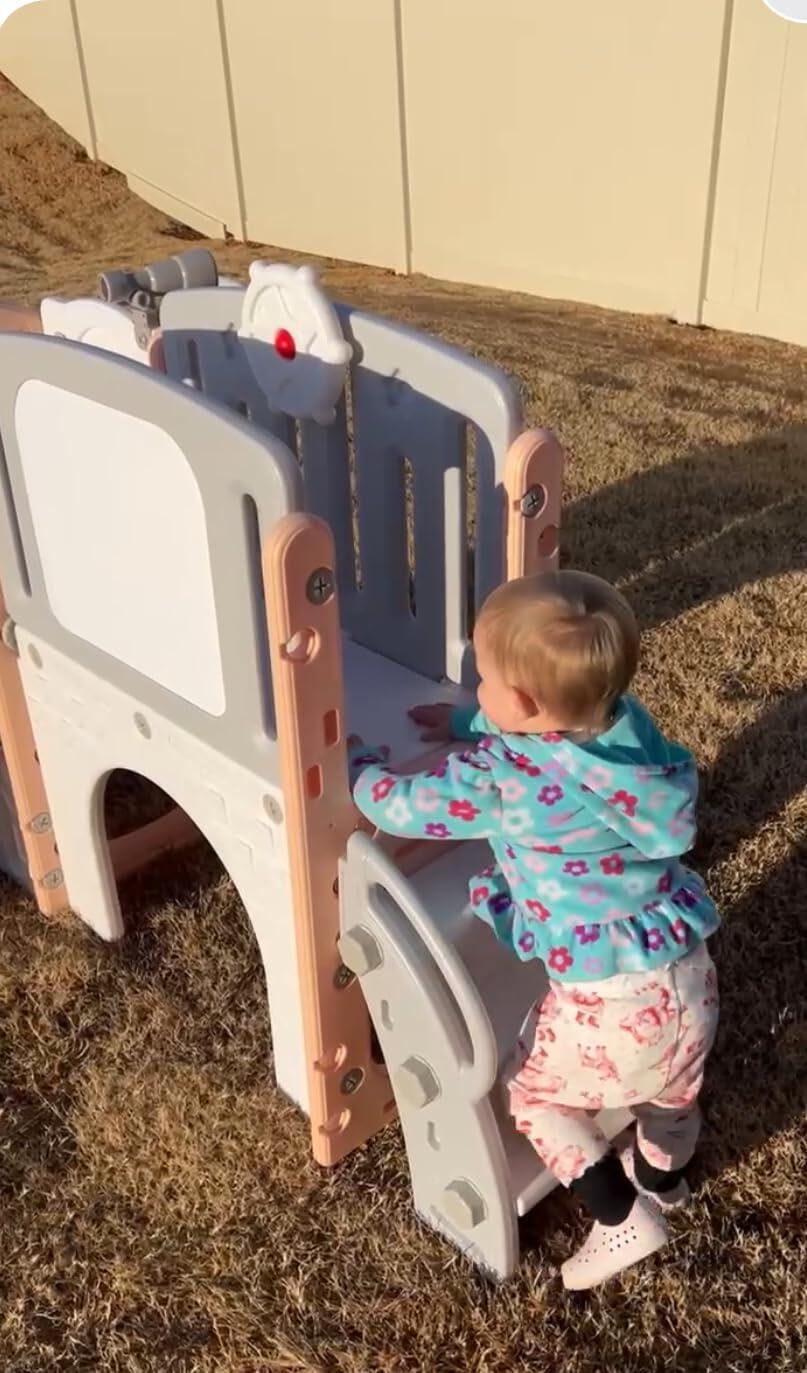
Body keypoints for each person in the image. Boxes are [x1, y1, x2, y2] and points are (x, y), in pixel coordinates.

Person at [348, 570, 720, 1290]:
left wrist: (359, 767)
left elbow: (402, 808)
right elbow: (553, 729)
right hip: (686, 972)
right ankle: (664, 1181)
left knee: (535, 1097)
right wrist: (468, 723)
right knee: (671, 1095)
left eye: (484, 680)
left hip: (605, 999)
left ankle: (621, 1218)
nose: (478, 689)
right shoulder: (624, 726)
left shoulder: (503, 780)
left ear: (519, 703)